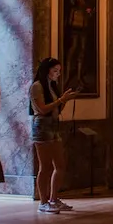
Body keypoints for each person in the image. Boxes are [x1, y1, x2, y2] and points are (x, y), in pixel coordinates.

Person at [29, 58, 78, 214]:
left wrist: (64, 100)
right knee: (45, 166)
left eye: (59, 71)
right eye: (55, 70)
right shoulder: (37, 87)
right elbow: (43, 109)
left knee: (60, 164)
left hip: (54, 125)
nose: (58, 74)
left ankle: (54, 198)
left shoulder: (52, 86)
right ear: (47, 70)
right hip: (42, 126)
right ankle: (43, 202)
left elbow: (57, 108)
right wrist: (61, 100)